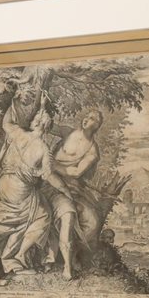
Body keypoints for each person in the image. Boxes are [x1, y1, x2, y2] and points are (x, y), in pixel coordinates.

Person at [0, 99, 68, 275]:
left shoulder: (17, 133)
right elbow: (47, 176)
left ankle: (12, 258)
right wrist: (63, 190)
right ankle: (17, 256)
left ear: (34, 123)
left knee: (28, 214)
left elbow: (6, 122)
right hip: (19, 190)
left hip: (5, 186)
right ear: (47, 128)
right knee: (43, 215)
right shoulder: (43, 149)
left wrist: (15, 100)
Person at [47, 108, 104, 279]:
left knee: (93, 221)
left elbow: (77, 172)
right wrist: (45, 112)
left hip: (73, 186)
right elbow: (49, 126)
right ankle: (63, 258)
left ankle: (74, 252)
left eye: (92, 118)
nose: (86, 119)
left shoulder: (93, 150)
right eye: (87, 116)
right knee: (67, 212)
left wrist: (53, 164)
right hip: (49, 181)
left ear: (97, 125)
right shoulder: (68, 132)